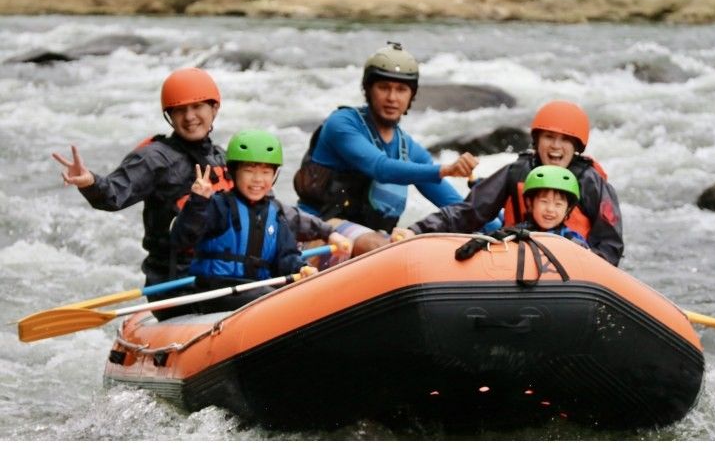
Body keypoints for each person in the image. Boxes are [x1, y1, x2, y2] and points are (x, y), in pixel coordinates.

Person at [53, 67, 348, 319]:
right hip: (180, 285)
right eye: (180, 110)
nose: (190, 116)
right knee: (276, 301)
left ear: (214, 109)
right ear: (169, 116)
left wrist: (323, 229)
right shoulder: (154, 158)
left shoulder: (225, 159)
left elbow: (268, 210)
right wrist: (89, 180)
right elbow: (112, 194)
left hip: (230, 279)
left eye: (197, 107)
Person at [293, 41, 478, 257]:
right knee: (386, 248)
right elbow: (380, 168)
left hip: (371, 240)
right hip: (317, 230)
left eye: (401, 90)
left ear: (411, 96)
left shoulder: (408, 148)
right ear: (368, 90)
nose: (392, 97)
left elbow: (457, 205)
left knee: (409, 246)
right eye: (383, 87)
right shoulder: (342, 124)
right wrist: (443, 170)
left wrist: (499, 221)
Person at [395, 100, 624, 265]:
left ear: (576, 147)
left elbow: (610, 244)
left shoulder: (591, 182)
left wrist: (590, 272)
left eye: (565, 140)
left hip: (575, 269)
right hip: (514, 263)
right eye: (549, 137)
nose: (556, 146)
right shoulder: (516, 173)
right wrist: (416, 230)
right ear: (536, 140)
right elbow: (468, 212)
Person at [170, 130, 317, 313]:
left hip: (257, 289)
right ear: (233, 172)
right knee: (271, 299)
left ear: (274, 176)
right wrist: (198, 203)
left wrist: (301, 267)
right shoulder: (217, 206)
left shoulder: (275, 214)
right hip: (218, 292)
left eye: (265, 172)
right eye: (249, 171)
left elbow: (286, 257)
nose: (257, 179)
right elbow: (182, 239)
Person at [516, 165, 588, 248]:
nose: (550, 209)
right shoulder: (515, 235)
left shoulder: (575, 242)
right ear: (530, 203)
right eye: (544, 201)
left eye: (558, 204)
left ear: (568, 209)